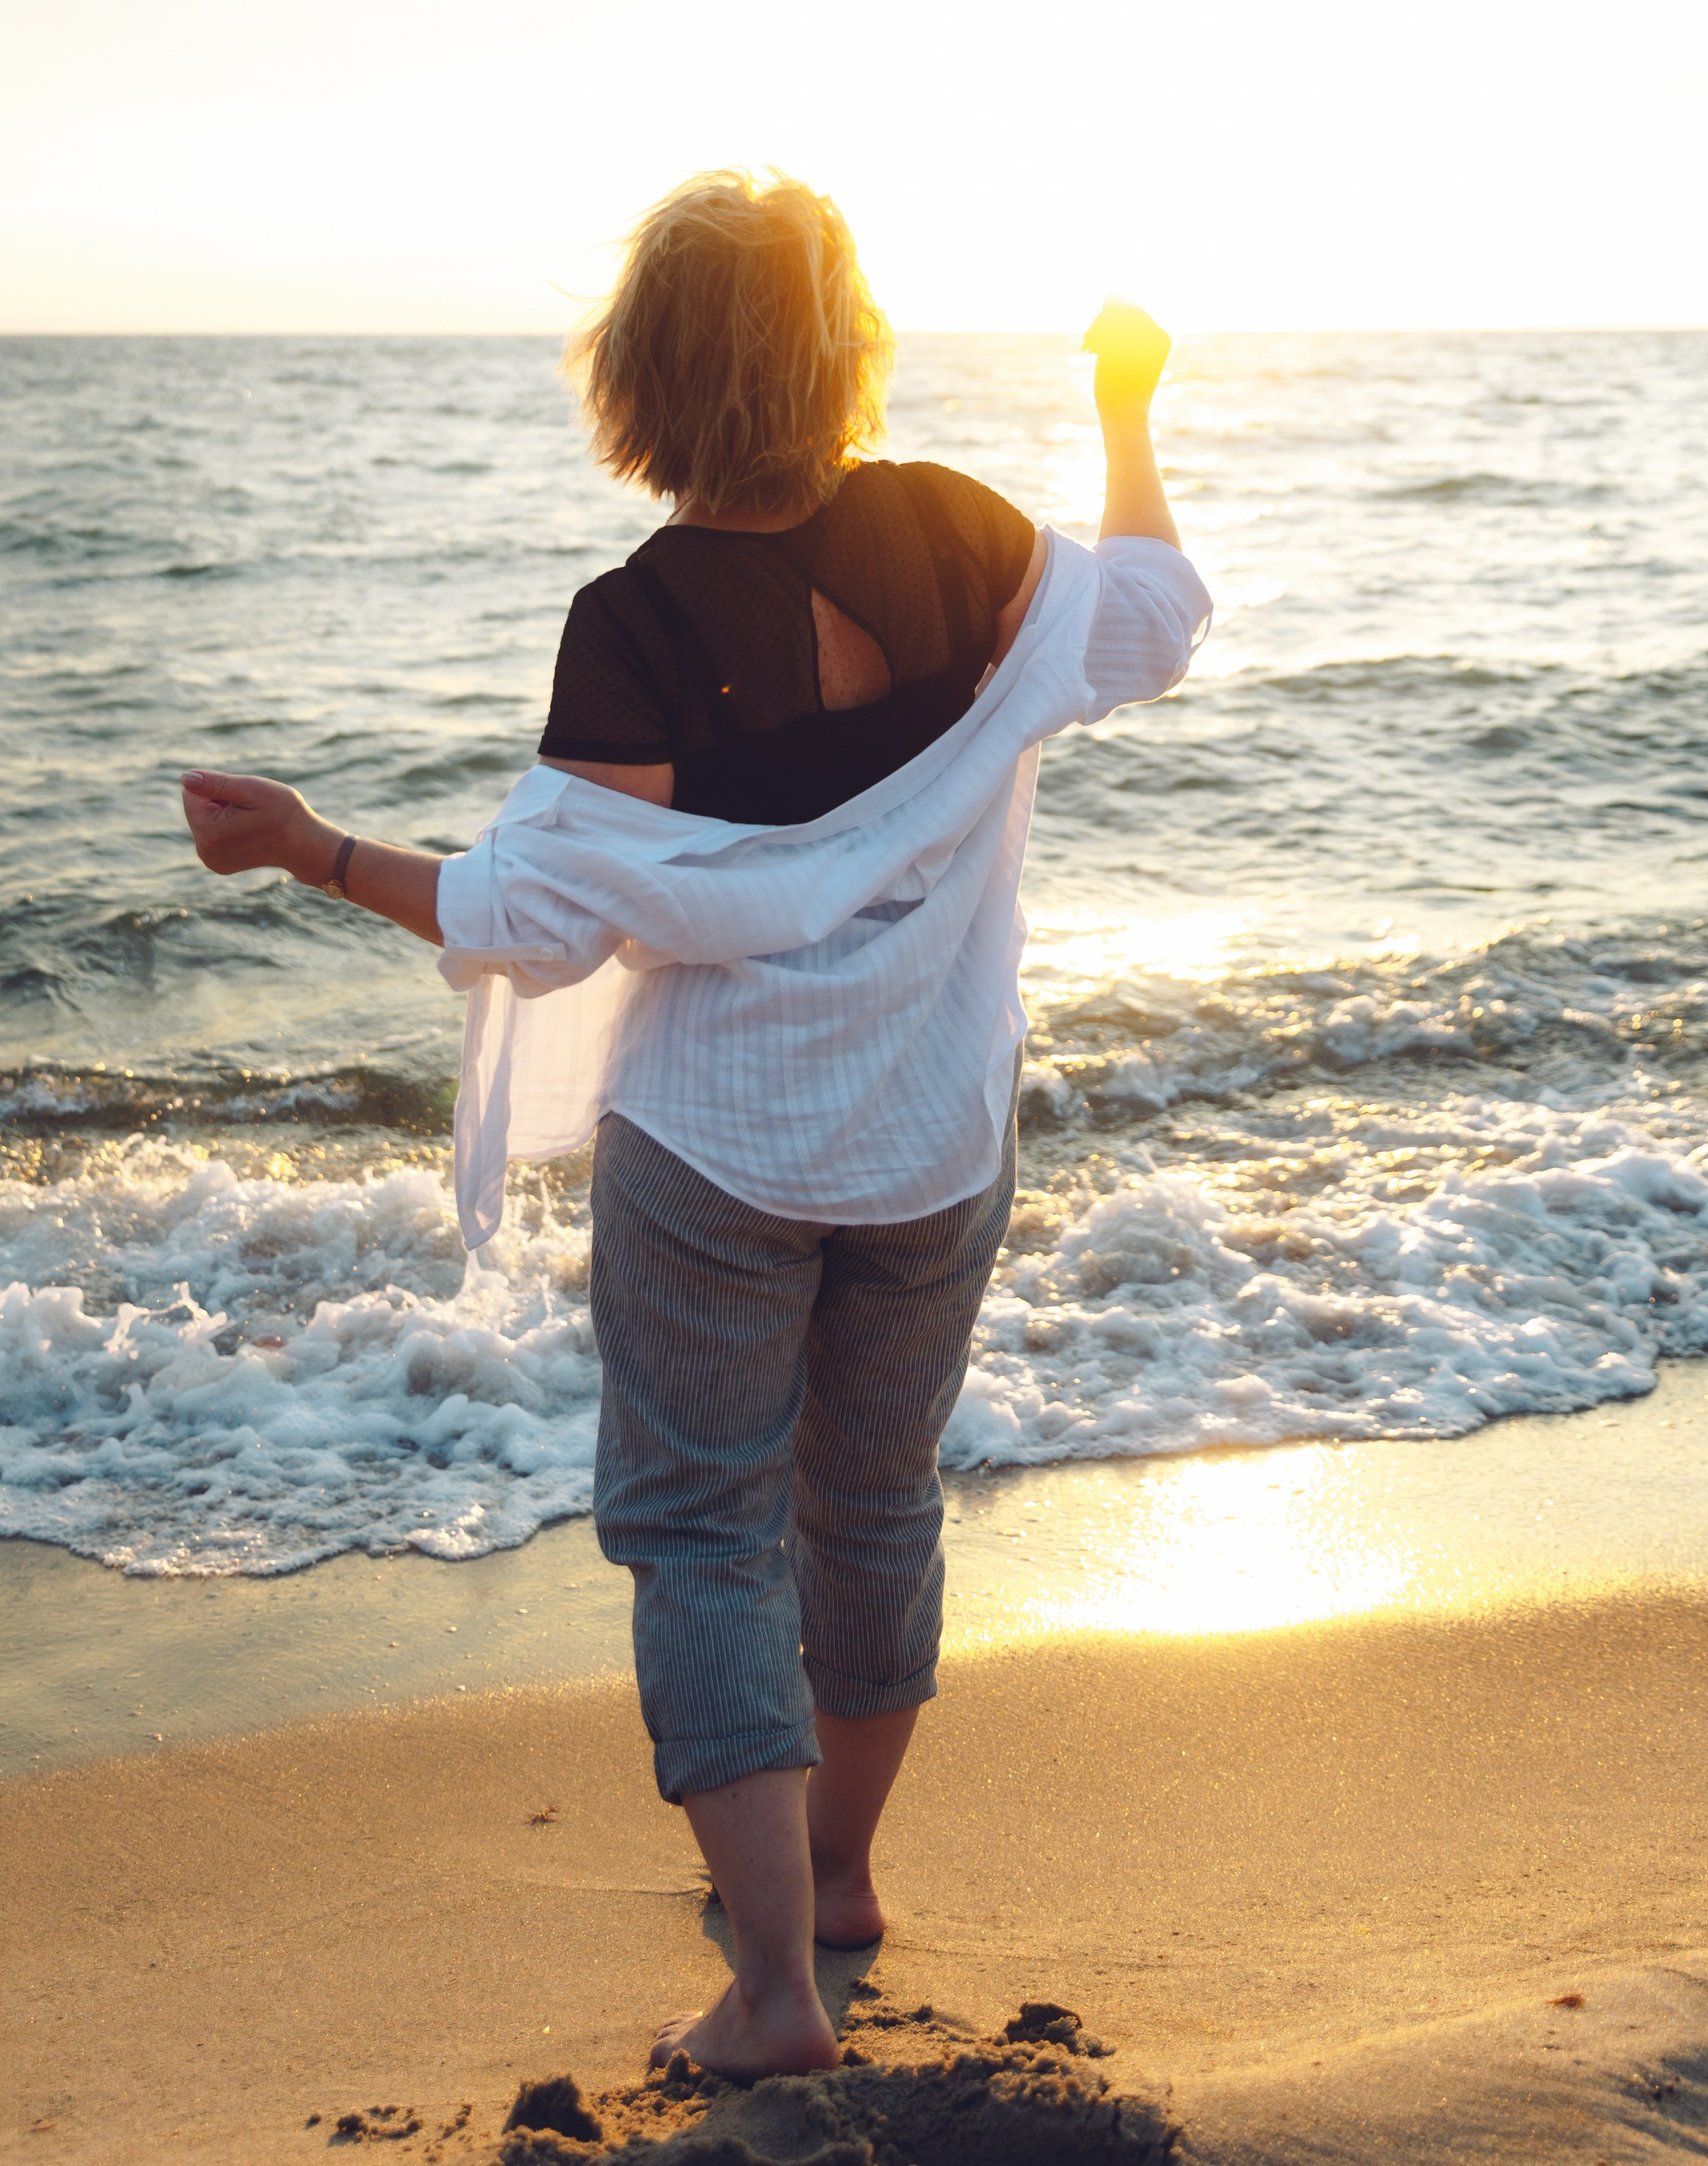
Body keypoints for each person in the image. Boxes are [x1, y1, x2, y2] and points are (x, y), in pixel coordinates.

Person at [181, 170, 1209, 2081]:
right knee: (875, 1502)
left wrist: (309, 848)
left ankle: (770, 2000)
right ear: (845, 354)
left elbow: (527, 920)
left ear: (641, 375)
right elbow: (1149, 617)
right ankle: (828, 1883)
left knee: (699, 1530)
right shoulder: (961, 536)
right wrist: (1127, 405)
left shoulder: (638, 623)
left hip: (722, 1154)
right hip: (932, 1139)